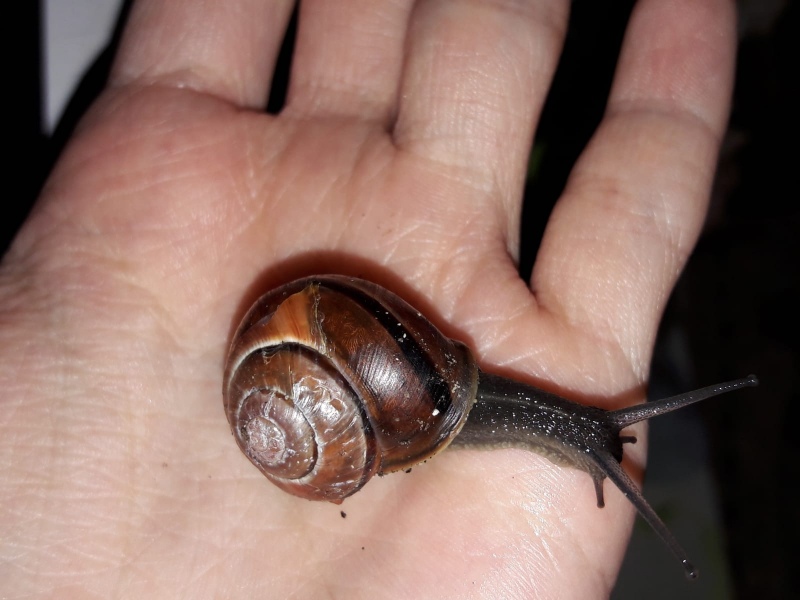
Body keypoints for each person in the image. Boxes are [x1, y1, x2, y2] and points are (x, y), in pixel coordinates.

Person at [0, 1, 736, 597]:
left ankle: (580, 434)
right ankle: (583, 434)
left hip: (367, 409)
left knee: (525, 415)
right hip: (363, 410)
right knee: (540, 418)